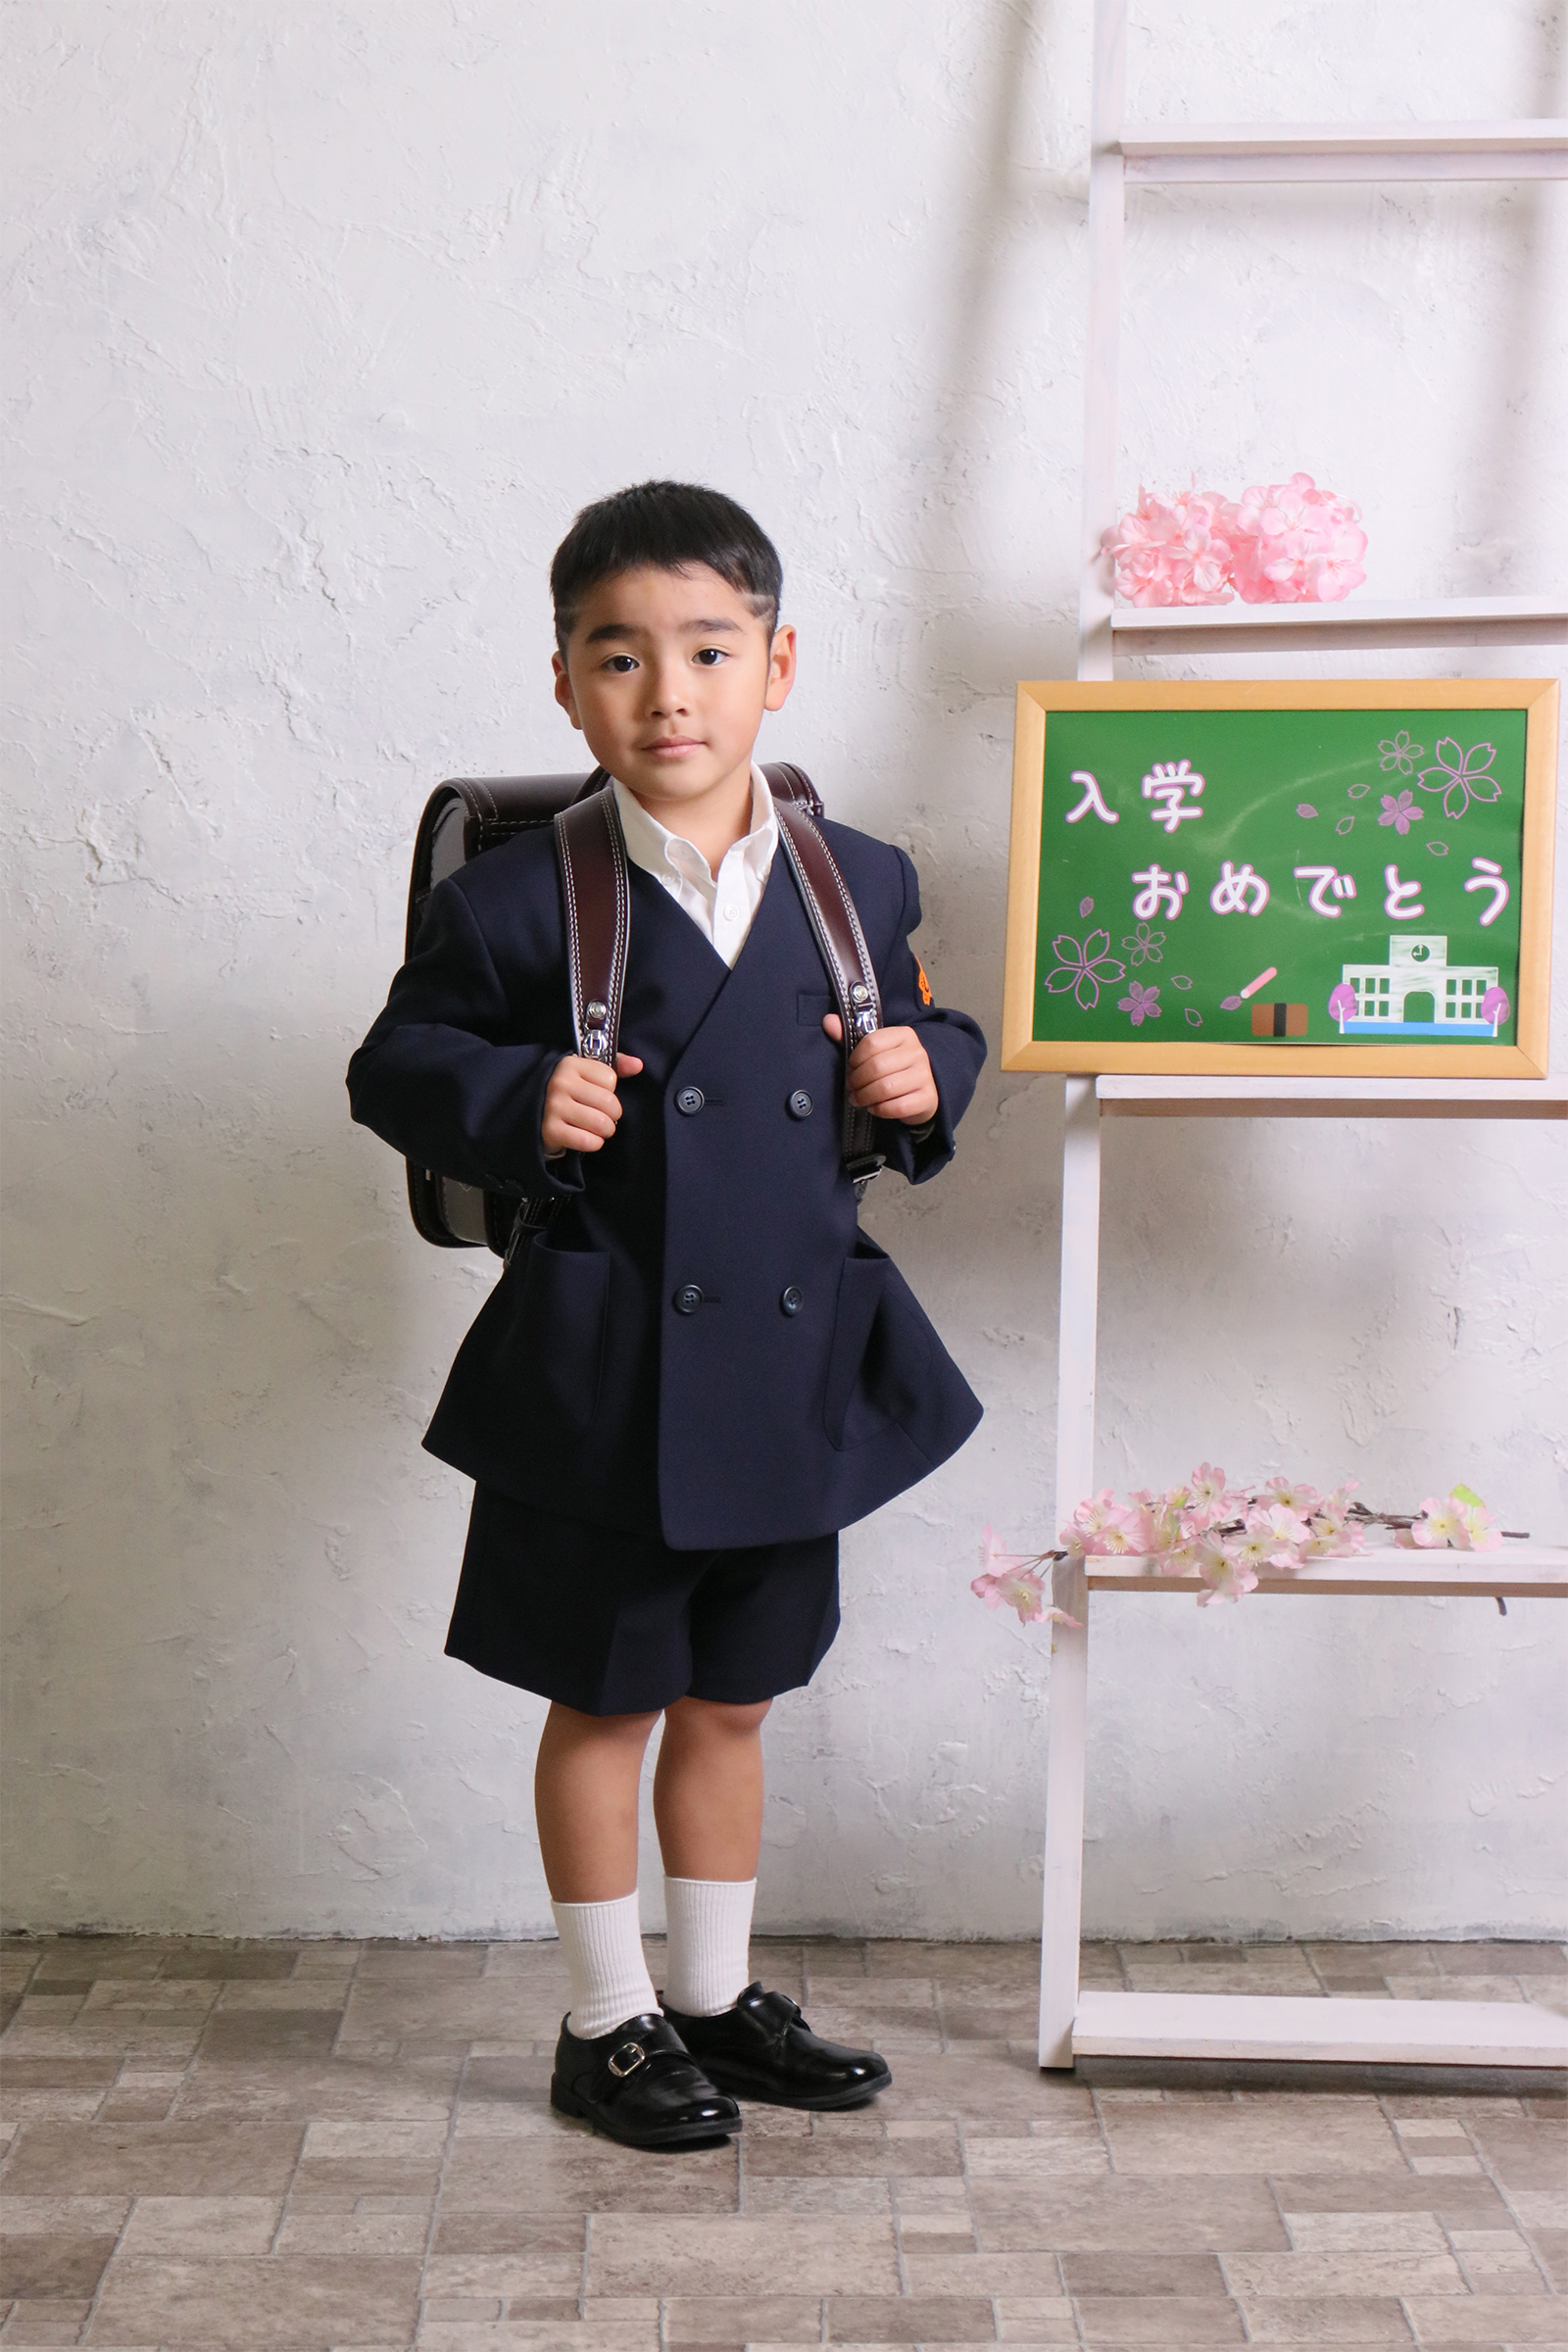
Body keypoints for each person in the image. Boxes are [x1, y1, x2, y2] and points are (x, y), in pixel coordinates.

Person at [347, 481, 986, 2148]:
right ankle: (605, 2025)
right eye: (620, 656)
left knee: (736, 1697)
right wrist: (515, 1098)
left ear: (779, 664)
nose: (669, 693)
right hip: (606, 1378)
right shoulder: (515, 900)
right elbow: (394, 1065)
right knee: (606, 1701)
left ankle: (712, 1995)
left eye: (709, 649)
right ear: (566, 683)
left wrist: (930, 1071)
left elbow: (929, 1029)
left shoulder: (859, 879)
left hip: (787, 1364)